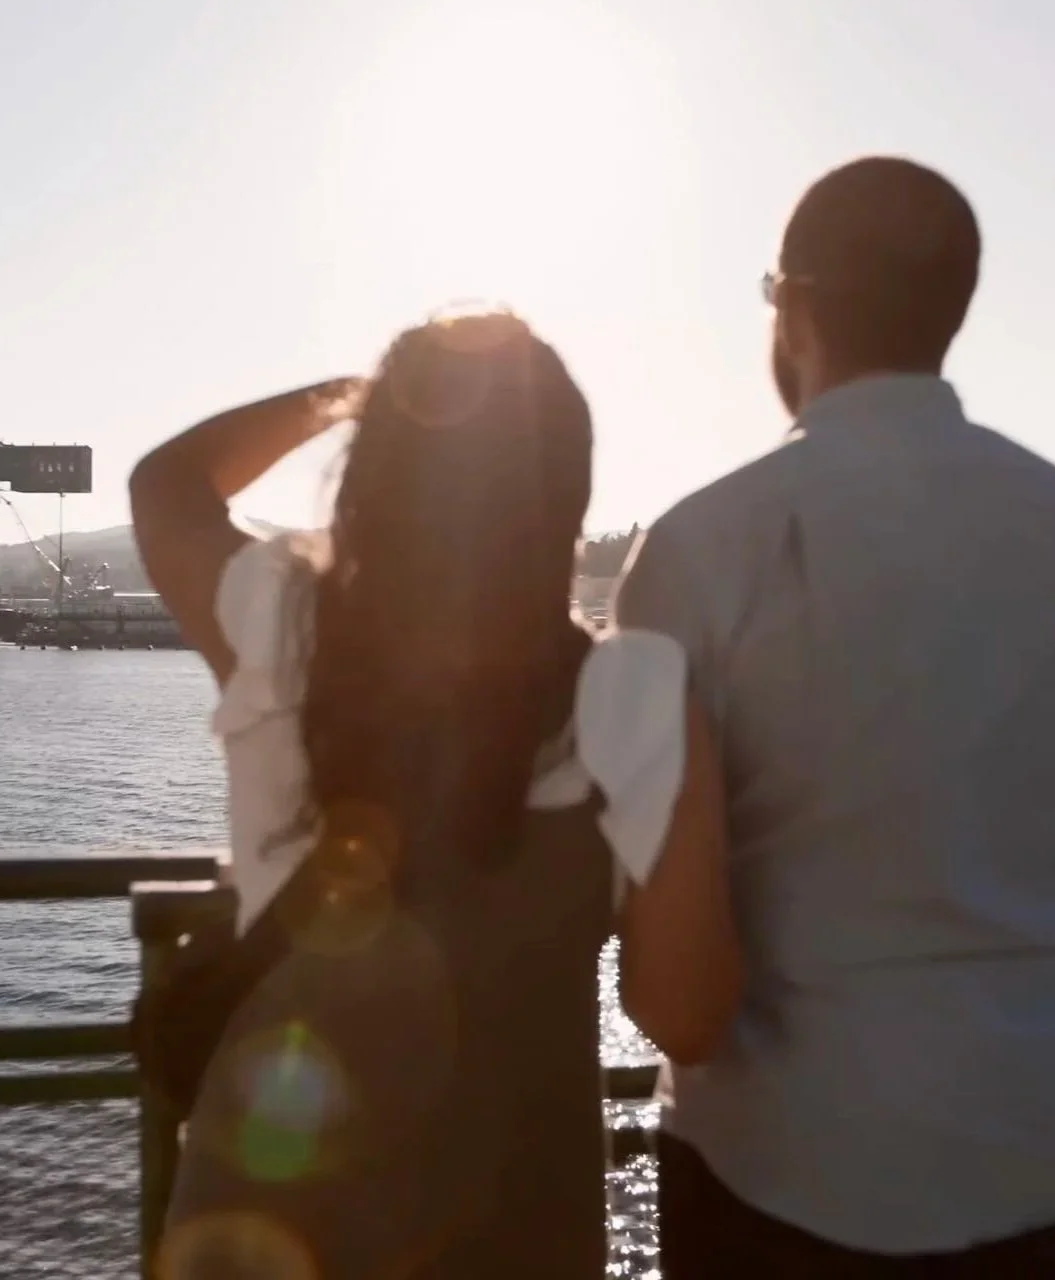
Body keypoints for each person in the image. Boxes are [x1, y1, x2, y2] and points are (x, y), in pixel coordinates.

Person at [614, 157, 1055, 1278]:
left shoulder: (698, 549)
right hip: (1030, 1156)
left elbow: (677, 996)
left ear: (792, 306)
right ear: (954, 308)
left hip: (784, 1172)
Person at [128, 308, 742, 1279]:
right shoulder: (634, 696)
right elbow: (685, 1015)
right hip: (516, 1236)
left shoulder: (281, 622)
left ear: (373, 479)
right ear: (567, 498)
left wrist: (355, 397)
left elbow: (165, 484)